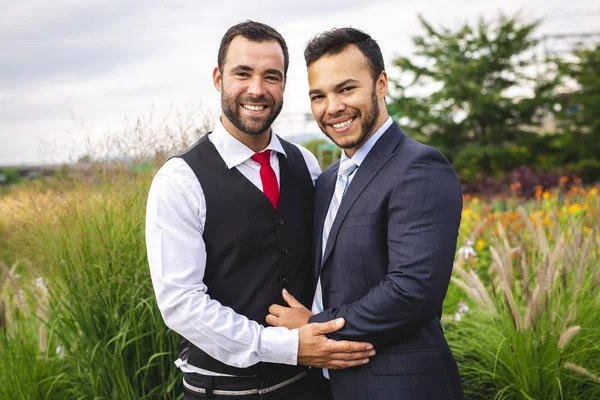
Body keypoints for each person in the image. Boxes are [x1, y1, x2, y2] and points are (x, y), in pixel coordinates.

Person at [145, 21, 376, 400]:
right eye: (242, 74)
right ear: (218, 78)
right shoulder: (179, 181)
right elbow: (181, 304)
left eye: (271, 76)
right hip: (224, 392)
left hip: (310, 388)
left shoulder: (306, 163)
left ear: (284, 85)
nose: (257, 89)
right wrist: (287, 347)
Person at [266, 27, 465, 400]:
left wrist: (314, 325)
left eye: (346, 89)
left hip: (400, 386)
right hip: (331, 386)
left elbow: (413, 291)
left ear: (381, 83)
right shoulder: (326, 182)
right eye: (318, 96)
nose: (332, 108)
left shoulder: (419, 167)